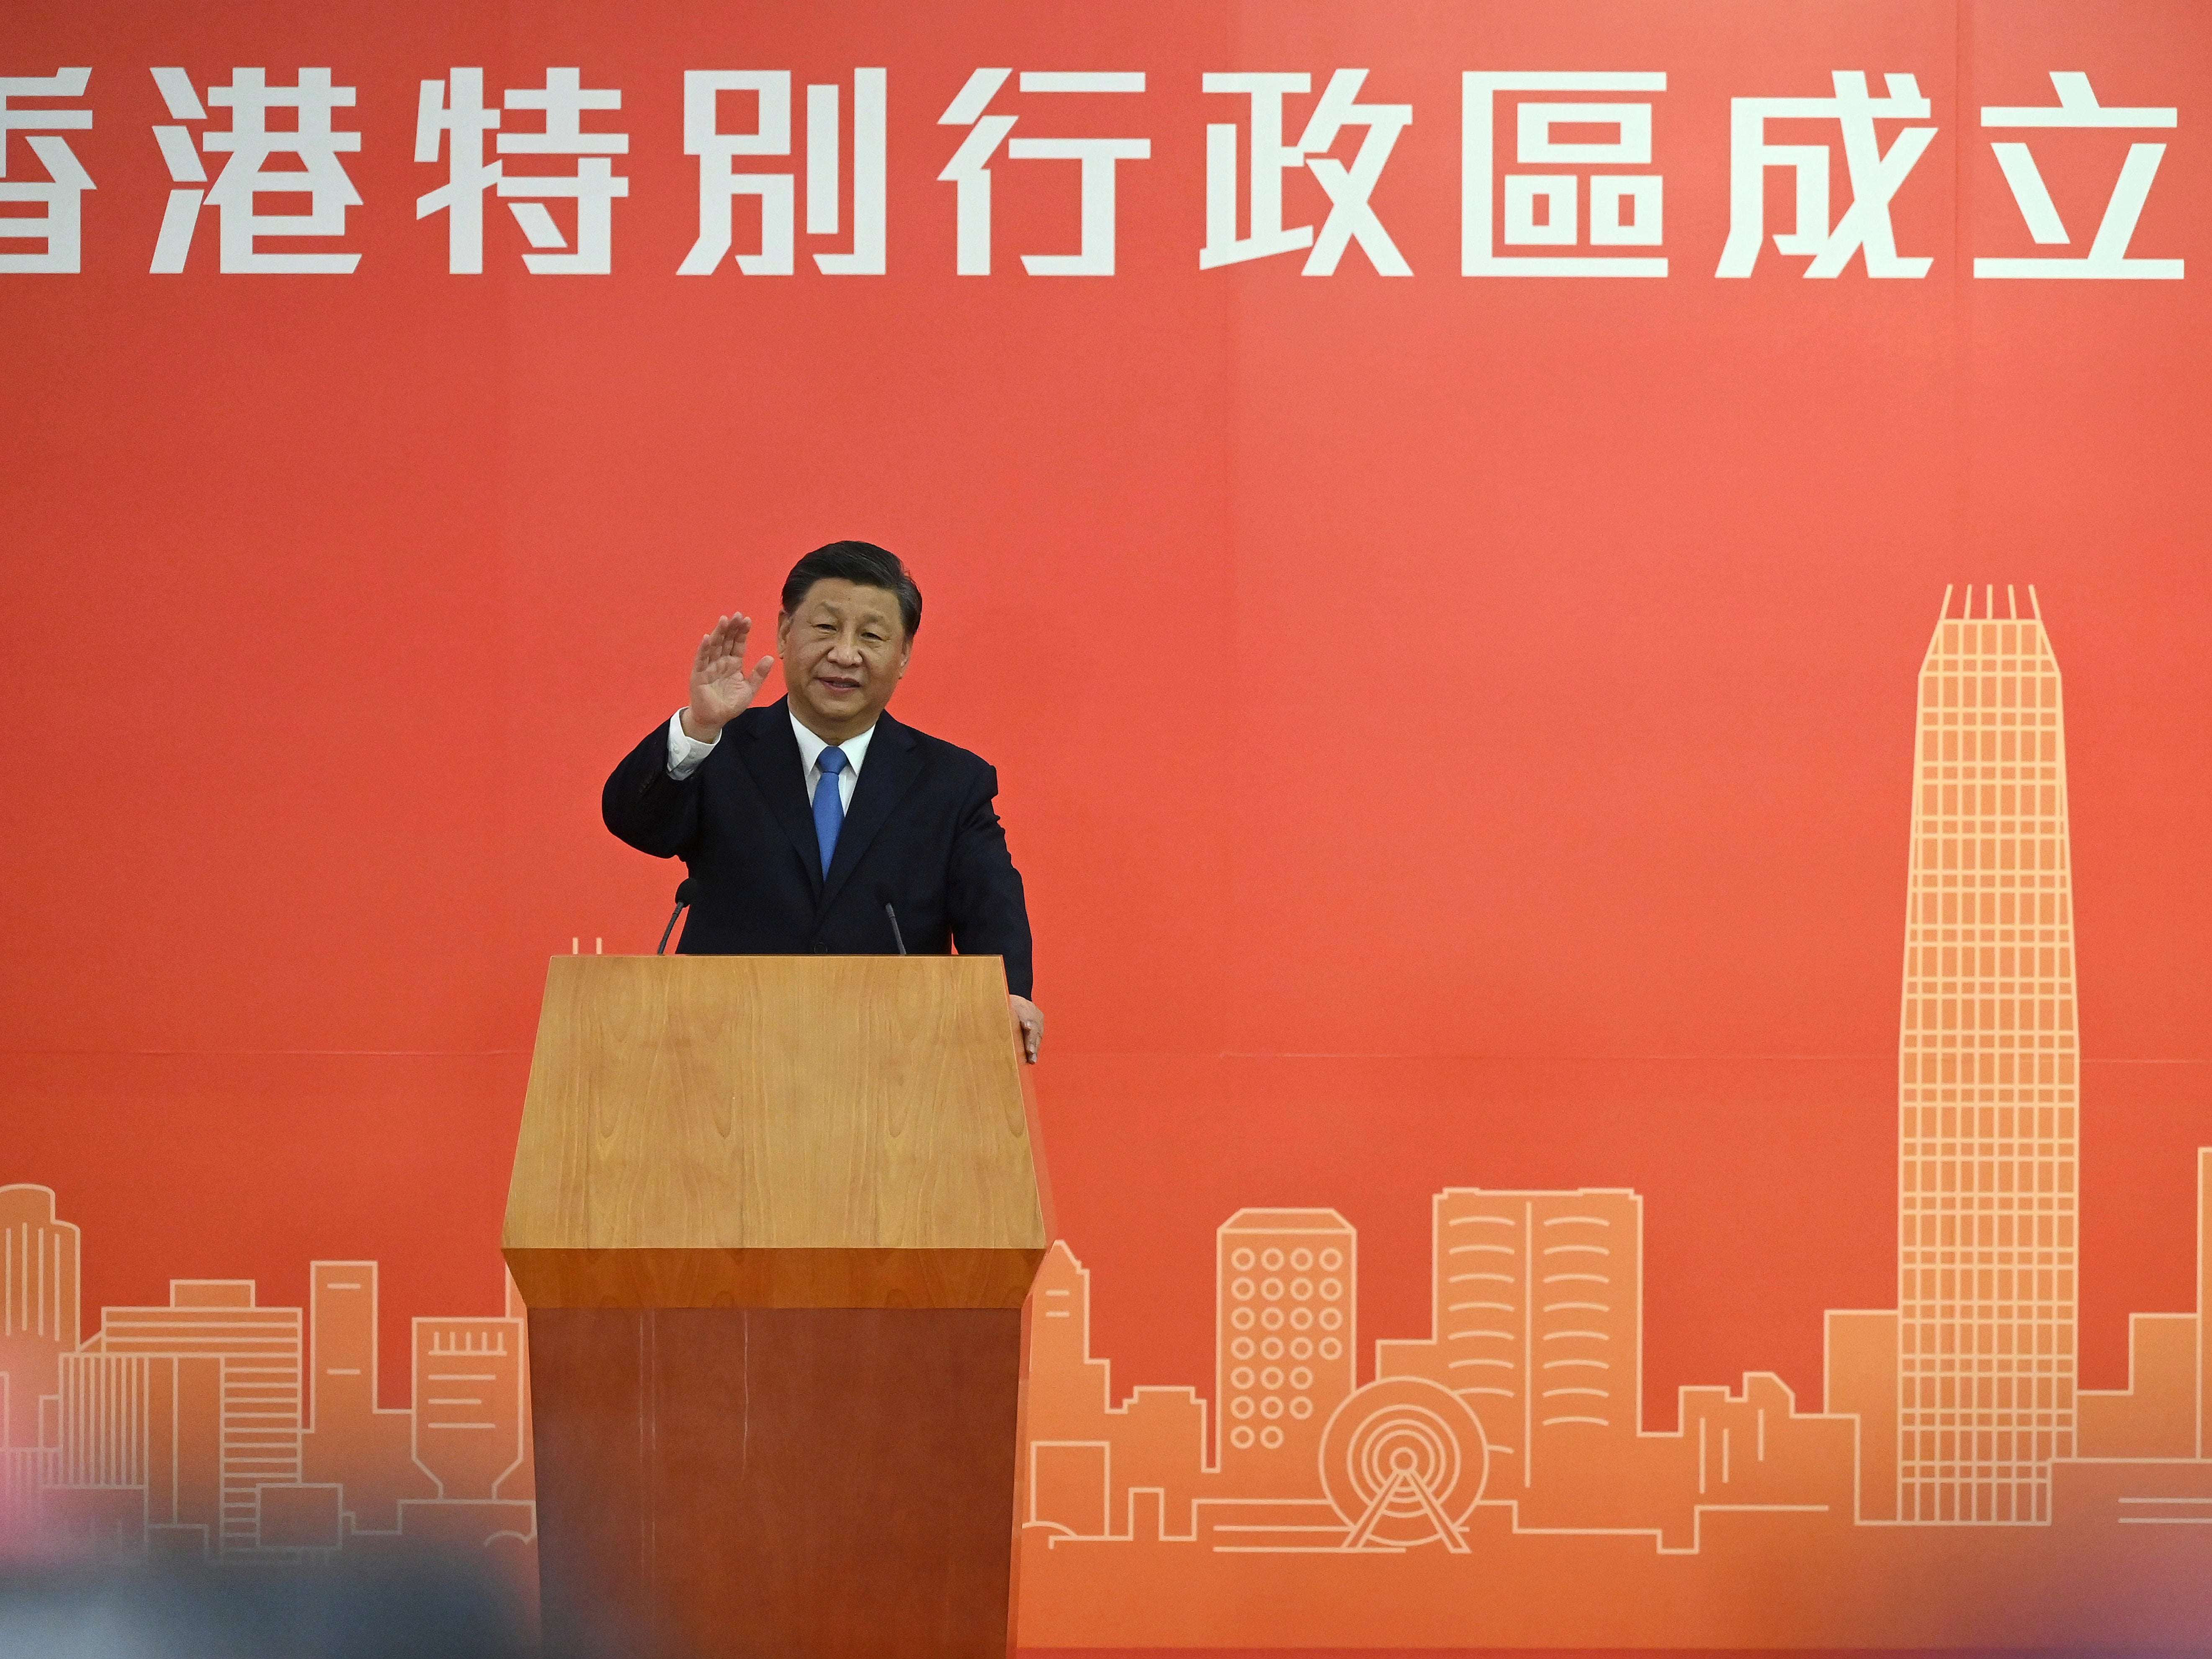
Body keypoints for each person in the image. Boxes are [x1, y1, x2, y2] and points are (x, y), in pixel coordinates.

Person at [602, 540, 1042, 1062]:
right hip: (723, 1051)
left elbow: (990, 901)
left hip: (893, 1062)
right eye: (827, 628)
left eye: (872, 636)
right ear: (786, 634)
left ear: (903, 656)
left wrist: (1010, 992)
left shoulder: (951, 780)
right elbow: (634, 820)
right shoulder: (722, 747)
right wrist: (698, 728)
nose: (846, 654)